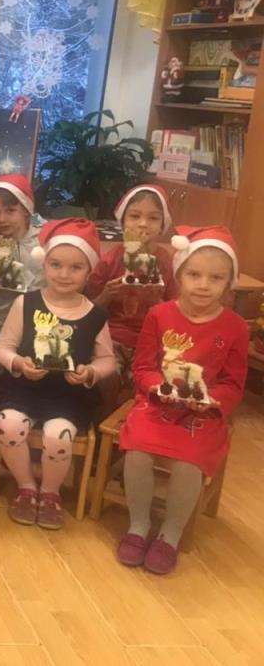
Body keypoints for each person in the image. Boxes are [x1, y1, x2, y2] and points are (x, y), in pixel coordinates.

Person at [117, 225, 247, 575]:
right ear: (179, 275)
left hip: (202, 413)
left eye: (216, 278)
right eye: (194, 275)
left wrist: (211, 400)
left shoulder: (235, 327)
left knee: (190, 462)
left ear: (229, 283)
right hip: (157, 404)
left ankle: (170, 535)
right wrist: (157, 387)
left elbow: (233, 384)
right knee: (138, 450)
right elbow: (143, 367)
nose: (203, 285)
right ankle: (138, 525)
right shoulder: (159, 315)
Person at [0, 218, 116, 530]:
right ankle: (25, 486)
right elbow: (2, 347)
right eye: (56, 265)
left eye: (76, 267)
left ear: (89, 272)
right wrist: (18, 363)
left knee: (57, 435)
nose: (64, 274)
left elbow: (108, 361)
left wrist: (90, 372)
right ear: (44, 264)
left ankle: (50, 492)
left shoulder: (95, 314)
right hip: (23, 390)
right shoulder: (26, 303)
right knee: (8, 425)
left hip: (69, 397)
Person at [87, 184, 177, 381]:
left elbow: (177, 318)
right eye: (135, 216)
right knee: (106, 376)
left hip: (152, 340)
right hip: (112, 336)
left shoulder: (168, 264)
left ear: (163, 224)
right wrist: (106, 295)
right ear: (122, 222)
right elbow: (87, 310)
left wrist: (155, 301)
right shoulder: (110, 260)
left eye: (153, 218)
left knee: (146, 381)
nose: (143, 224)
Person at [0, 174, 44, 329]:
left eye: (10, 211)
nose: (2, 219)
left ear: (26, 210)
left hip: (38, 323)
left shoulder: (44, 242)